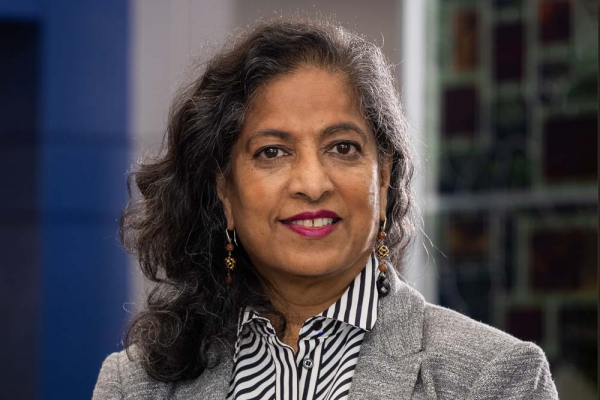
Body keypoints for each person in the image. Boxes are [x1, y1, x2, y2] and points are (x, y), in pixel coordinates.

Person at [93, 17, 558, 399]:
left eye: (342, 147)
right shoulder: (136, 386)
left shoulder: (492, 378)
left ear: (383, 177)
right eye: (272, 152)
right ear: (225, 194)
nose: (312, 184)